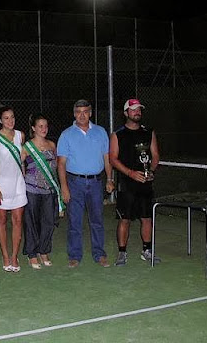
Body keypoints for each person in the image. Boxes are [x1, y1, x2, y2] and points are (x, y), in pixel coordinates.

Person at [57, 99, 114, 268]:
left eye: (85, 111)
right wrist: (64, 187)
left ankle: (99, 254)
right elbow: (61, 163)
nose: (82, 115)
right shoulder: (66, 134)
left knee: (97, 220)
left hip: (96, 183)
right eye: (78, 112)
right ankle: (74, 255)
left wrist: (110, 179)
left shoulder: (101, 132)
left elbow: (106, 158)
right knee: (75, 221)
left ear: (90, 113)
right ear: (74, 114)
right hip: (75, 182)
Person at [109, 98, 160, 266]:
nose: (137, 112)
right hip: (127, 184)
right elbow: (113, 159)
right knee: (125, 219)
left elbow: (155, 155)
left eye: (139, 109)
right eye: (133, 109)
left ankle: (147, 251)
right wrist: (130, 173)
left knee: (147, 218)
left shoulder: (148, 132)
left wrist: (151, 172)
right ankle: (122, 253)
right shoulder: (118, 135)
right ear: (126, 113)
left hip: (145, 184)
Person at [21, 114, 62, 269]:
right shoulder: (27, 147)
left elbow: (56, 166)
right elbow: (20, 166)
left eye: (45, 126)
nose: (44, 129)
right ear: (33, 128)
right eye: (40, 126)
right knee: (31, 222)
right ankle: (32, 254)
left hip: (49, 190)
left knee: (48, 222)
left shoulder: (52, 145)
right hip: (32, 189)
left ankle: (44, 251)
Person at [0, 105, 27, 272]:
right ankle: (5, 255)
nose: (10, 121)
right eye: (6, 118)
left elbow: (22, 160)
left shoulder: (20, 135)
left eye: (12, 117)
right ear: (0, 120)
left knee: (18, 220)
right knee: (2, 220)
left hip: (18, 182)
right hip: (2, 184)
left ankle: (14, 256)